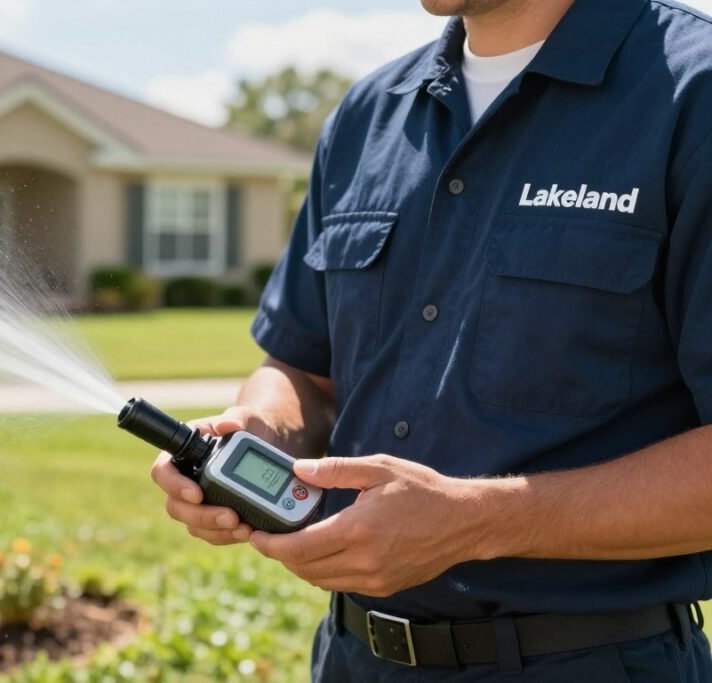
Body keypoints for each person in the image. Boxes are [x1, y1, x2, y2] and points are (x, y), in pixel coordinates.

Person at [150, 0, 712, 679]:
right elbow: (301, 367)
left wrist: (478, 520)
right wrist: (263, 431)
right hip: (353, 658)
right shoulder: (368, 114)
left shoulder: (692, 91)